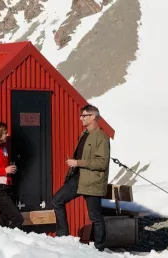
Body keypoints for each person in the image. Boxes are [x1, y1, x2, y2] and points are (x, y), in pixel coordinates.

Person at [52, 104, 110, 251]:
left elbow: (102, 163)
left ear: (93, 117)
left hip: (92, 181)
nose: (81, 118)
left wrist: (78, 162)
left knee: (95, 216)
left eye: (84, 116)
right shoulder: (84, 134)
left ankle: (100, 249)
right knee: (57, 200)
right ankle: (63, 237)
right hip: (79, 178)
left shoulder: (102, 137)